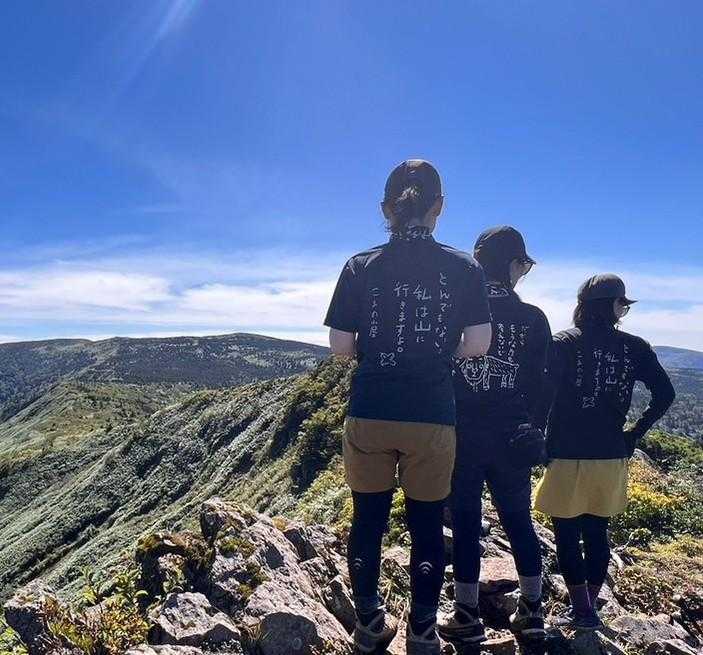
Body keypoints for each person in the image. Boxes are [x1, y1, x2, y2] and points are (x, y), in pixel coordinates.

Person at [324, 159, 492, 654]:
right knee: (425, 523)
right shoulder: (463, 267)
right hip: (431, 414)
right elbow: (479, 343)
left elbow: (340, 346)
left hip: (371, 410)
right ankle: (422, 631)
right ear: (439, 207)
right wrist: (443, 351)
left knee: (367, 520)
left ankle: (369, 625)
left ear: (386, 209)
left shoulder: (360, 265)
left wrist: (373, 350)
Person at [534, 274, 675, 629]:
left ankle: (581, 609)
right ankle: (590, 609)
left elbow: (543, 395)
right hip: (611, 453)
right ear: (612, 306)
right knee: (598, 532)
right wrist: (634, 434)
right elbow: (666, 394)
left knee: (566, 534)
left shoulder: (563, 342)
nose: (623, 310)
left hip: (565, 452)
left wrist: (537, 438)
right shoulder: (635, 347)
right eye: (622, 304)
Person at [437, 226, 551, 645]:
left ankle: (466, 613)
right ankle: (532, 612)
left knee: (467, 523)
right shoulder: (533, 318)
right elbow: (545, 385)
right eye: (524, 266)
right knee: (519, 521)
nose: (523, 274)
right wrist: (534, 427)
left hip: (461, 436)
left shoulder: (453, 312)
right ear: (512, 264)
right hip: (513, 438)